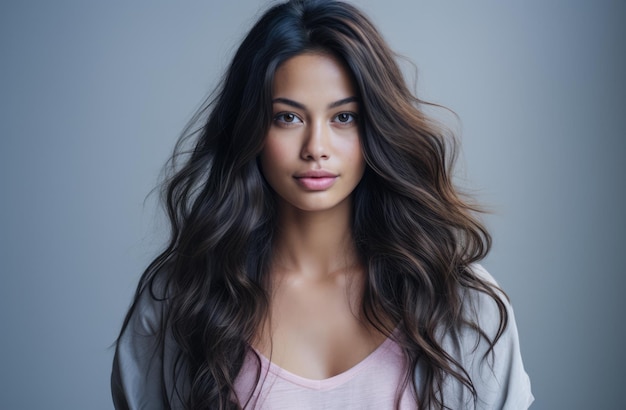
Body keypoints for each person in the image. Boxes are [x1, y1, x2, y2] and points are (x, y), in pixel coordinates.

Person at [111, 0, 533, 408]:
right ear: (250, 129)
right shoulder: (182, 299)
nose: (316, 147)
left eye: (343, 117)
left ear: (377, 128)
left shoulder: (460, 300)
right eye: (287, 117)